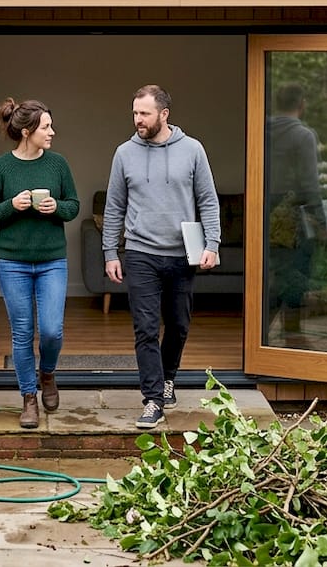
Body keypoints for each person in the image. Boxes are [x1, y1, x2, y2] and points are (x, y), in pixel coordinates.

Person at [101, 84, 220, 430]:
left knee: (179, 325)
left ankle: (168, 376)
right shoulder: (124, 153)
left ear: (164, 114)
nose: (138, 119)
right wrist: (111, 251)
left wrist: (211, 243)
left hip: (183, 254)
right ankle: (152, 398)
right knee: (146, 329)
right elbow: (114, 207)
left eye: (144, 113)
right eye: (135, 113)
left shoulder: (193, 150)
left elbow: (208, 201)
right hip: (140, 253)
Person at [0, 98, 80, 429]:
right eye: (46, 127)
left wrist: (57, 208)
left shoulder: (59, 164)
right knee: (22, 332)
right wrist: (12, 205)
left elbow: (74, 205)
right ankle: (29, 398)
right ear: (27, 132)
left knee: (51, 330)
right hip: (13, 263)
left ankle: (47, 373)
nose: (52, 132)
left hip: (52, 260)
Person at [265, 83, 322, 334]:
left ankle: (261, 335)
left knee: (275, 271)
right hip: (293, 214)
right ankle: (290, 333)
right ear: (302, 104)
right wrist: (320, 217)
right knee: (296, 273)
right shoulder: (303, 135)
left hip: (265, 209)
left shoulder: (262, 130)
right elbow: (309, 181)